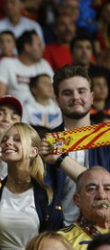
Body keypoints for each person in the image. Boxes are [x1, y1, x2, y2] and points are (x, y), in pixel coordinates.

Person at [0, 122, 63, 250]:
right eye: (5, 139)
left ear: (33, 151)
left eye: (17, 139)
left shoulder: (49, 196)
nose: (8, 142)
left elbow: (55, 241)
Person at [44, 64, 110, 226]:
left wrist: (61, 160)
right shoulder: (46, 143)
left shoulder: (108, 138)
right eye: (67, 93)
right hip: (60, 233)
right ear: (57, 100)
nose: (75, 97)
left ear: (92, 97)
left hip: (104, 232)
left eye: (81, 91)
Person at [0, 30, 54, 104]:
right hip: (17, 113)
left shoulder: (44, 64)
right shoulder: (6, 63)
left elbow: (54, 94)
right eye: (39, 45)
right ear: (27, 47)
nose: (43, 49)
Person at [57, 167, 110, 249]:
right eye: (91, 189)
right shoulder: (60, 241)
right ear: (77, 200)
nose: (101, 196)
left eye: (108, 189)